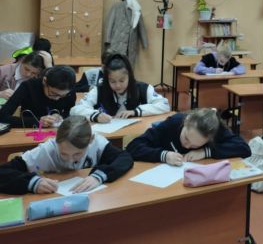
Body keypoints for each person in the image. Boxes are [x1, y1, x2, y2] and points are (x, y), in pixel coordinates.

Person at [0, 115, 133, 195]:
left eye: (77, 154)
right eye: (63, 154)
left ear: (90, 141)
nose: (70, 160)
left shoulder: (96, 142)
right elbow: (3, 172)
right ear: (56, 141)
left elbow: (125, 158)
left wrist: (99, 176)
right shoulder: (47, 150)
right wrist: (32, 182)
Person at [126, 108, 250, 165]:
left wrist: (205, 152)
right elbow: (133, 147)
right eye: (186, 138)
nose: (187, 146)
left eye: (195, 146)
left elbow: (244, 148)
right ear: (186, 121)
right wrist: (164, 155)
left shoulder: (215, 129)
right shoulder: (172, 123)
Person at [71, 53, 169, 122]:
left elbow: (164, 105)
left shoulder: (143, 88)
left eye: (122, 81)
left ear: (129, 76)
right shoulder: (99, 90)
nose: (117, 85)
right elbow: (75, 110)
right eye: (112, 81)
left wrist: (135, 112)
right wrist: (95, 115)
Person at [0, 65, 76, 128]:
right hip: (29, 131)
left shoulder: (69, 91)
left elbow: (69, 113)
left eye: (62, 95)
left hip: (56, 132)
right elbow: (3, 117)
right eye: (53, 93)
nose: (57, 98)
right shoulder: (28, 86)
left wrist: (61, 117)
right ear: (44, 81)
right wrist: (37, 121)